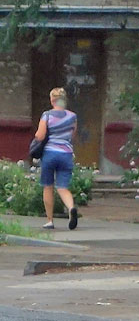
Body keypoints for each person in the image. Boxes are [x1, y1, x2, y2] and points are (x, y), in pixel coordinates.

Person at [33, 88, 79, 230]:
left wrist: (37, 137)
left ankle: (50, 221)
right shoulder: (72, 116)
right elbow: (73, 135)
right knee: (62, 187)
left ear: (52, 100)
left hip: (50, 154)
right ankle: (71, 208)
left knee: (48, 186)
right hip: (66, 154)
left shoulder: (47, 115)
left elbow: (40, 136)